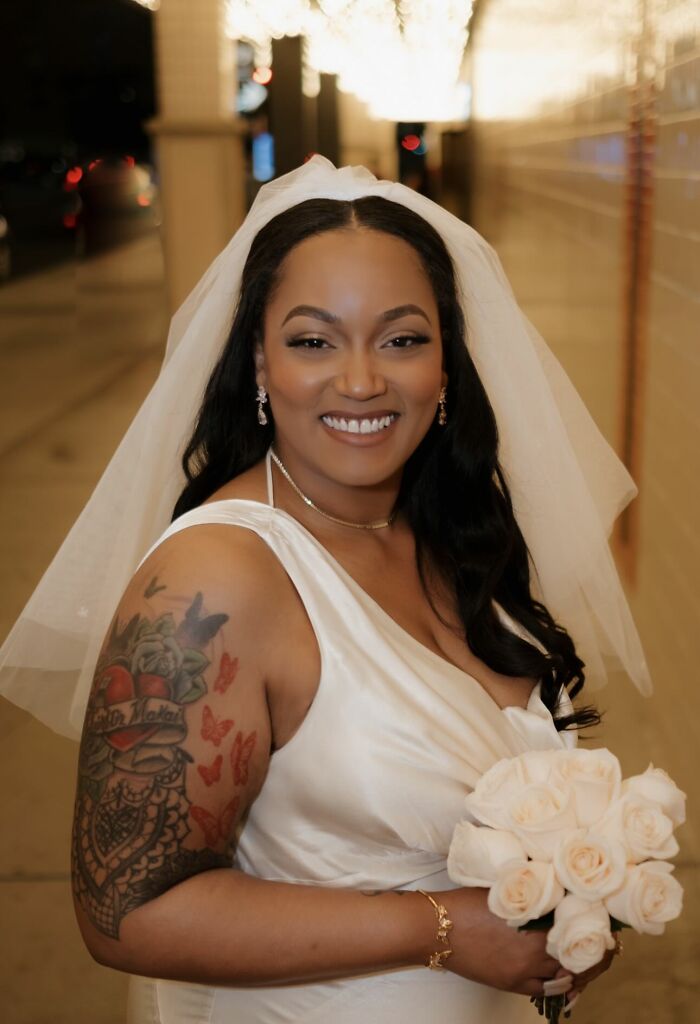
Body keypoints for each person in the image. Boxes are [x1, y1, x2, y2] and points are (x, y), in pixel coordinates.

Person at [0, 157, 651, 1023]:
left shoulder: (451, 535)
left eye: (402, 338)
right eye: (313, 340)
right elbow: (125, 912)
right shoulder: (213, 586)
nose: (360, 381)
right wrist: (441, 930)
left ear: (448, 366)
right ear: (259, 364)